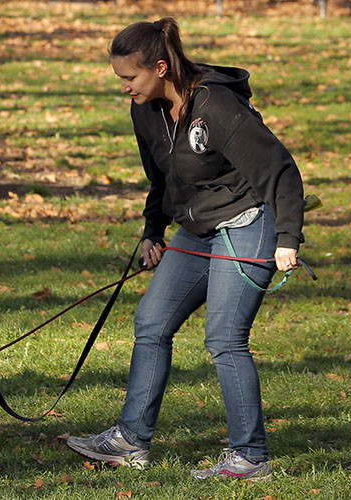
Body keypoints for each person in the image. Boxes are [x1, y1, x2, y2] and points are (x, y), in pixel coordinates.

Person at [66, 17, 305, 482]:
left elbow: (279, 169)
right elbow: (161, 179)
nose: (124, 88)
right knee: (151, 321)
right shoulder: (145, 111)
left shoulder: (216, 106)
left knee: (224, 338)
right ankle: (131, 441)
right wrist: (153, 231)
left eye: (129, 78)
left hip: (247, 222)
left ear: (160, 67)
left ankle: (250, 458)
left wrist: (288, 238)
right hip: (195, 232)